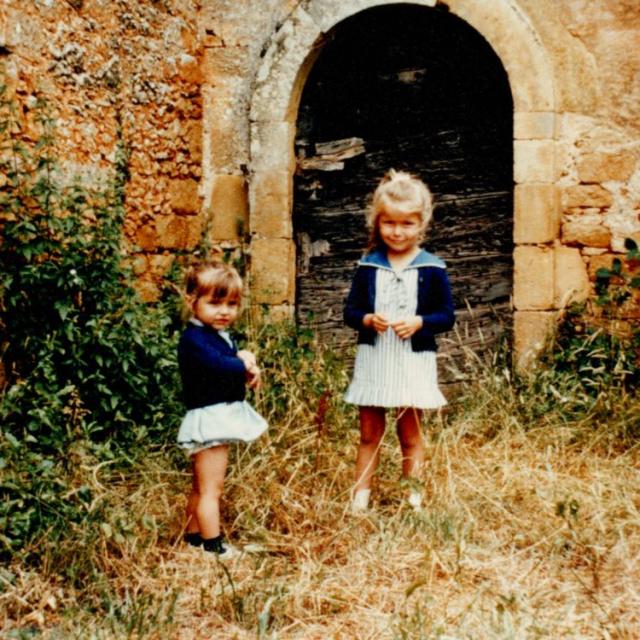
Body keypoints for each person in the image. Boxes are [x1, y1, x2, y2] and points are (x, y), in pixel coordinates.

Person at [343, 169, 455, 513]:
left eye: (407, 224)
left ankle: (413, 498)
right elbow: (350, 312)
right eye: (389, 223)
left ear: (422, 224)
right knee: (369, 433)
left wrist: (420, 322)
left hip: (412, 360)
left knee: (410, 434)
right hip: (375, 359)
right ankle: (360, 499)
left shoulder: (432, 268)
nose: (397, 231)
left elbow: (446, 317)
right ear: (377, 223)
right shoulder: (368, 266)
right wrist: (366, 319)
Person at [177, 262, 267, 557]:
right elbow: (217, 365)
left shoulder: (214, 336)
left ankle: (192, 538)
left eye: (231, 304)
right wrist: (242, 362)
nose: (224, 311)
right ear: (193, 302)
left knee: (201, 486)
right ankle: (213, 547)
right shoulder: (193, 339)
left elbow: (225, 365)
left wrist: (245, 367)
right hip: (210, 421)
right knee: (210, 490)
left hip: (212, 417)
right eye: (215, 303)